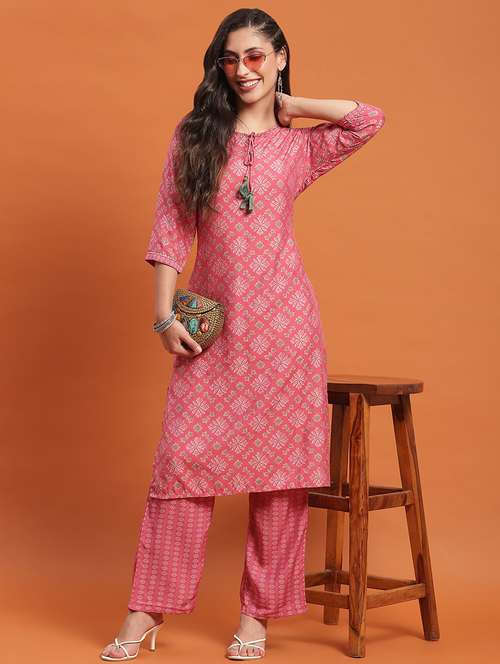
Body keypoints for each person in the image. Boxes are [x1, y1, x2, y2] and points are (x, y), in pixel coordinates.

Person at [100, 6, 385, 661]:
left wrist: (291, 104)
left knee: (281, 477)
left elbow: (369, 118)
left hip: (287, 330)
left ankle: (257, 617)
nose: (241, 69)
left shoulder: (301, 146)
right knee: (182, 462)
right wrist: (164, 316)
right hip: (214, 328)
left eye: (255, 55)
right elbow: (171, 228)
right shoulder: (196, 135)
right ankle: (147, 609)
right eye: (230, 58)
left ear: (279, 58)